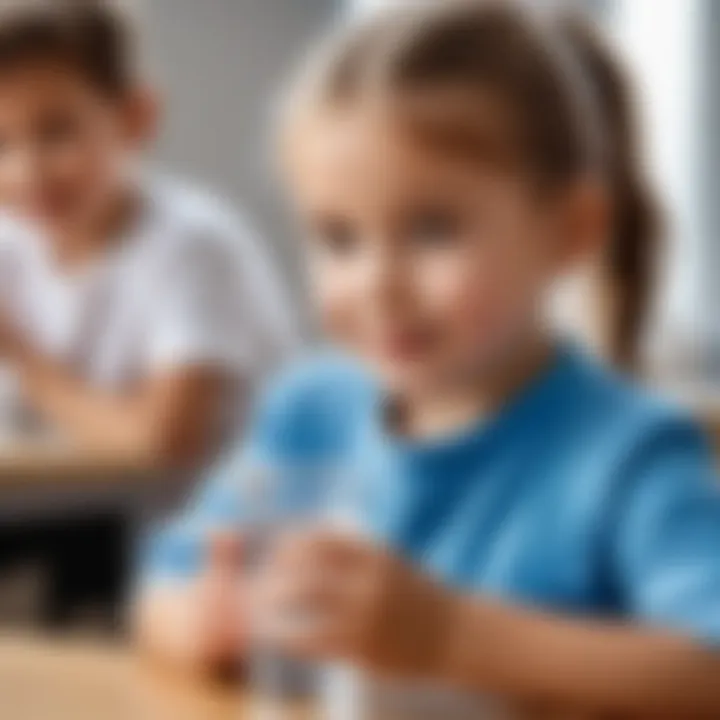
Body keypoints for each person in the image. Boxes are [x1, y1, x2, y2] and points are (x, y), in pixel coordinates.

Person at [137, 2, 720, 716]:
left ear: (571, 230)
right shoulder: (307, 412)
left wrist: (447, 635)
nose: (377, 284)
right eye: (338, 238)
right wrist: (216, 618)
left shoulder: (628, 449)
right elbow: (162, 587)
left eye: (432, 229)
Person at [0, 0, 298, 482]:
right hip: (80, 527)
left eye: (55, 131)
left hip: (217, 537)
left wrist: (20, 355)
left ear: (136, 117)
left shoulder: (193, 246)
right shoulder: (12, 247)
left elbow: (163, 444)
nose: (25, 171)